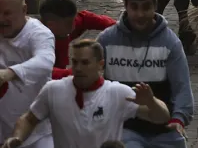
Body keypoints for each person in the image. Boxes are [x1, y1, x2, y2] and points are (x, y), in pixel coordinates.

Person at [1, 39, 171, 148]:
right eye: (75, 62)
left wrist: (151, 101)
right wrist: (16, 138)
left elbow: (161, 117)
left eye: (85, 62)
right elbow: (29, 118)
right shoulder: (53, 89)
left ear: (100, 65)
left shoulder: (117, 93)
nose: (79, 68)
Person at [97, 0, 194, 148]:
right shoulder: (106, 40)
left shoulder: (170, 43)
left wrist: (179, 118)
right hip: (123, 128)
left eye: (146, 7)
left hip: (165, 128)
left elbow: (182, 87)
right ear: (125, 5)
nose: (140, 14)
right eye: (134, 7)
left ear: (155, 6)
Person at [0, 0, 55, 148]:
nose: (1, 19)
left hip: (37, 133)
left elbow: (45, 61)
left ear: (24, 10)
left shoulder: (39, 33)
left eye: (7, 13)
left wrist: (9, 73)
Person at [38, 0, 115, 80]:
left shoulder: (65, 25)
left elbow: (87, 18)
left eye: (74, 20)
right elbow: (39, 71)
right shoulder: (36, 41)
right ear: (51, 25)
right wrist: (72, 73)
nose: (74, 26)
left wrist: (117, 28)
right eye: (69, 23)